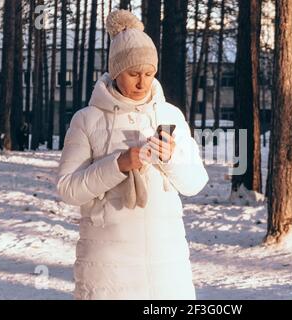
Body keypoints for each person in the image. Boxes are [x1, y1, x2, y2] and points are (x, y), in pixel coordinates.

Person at [56, 10, 208, 300]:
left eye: (149, 74)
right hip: (109, 270)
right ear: (115, 71)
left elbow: (196, 183)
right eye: (133, 74)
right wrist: (118, 165)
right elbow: (68, 188)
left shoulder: (169, 114)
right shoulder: (86, 120)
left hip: (166, 267)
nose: (143, 83)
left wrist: (171, 158)